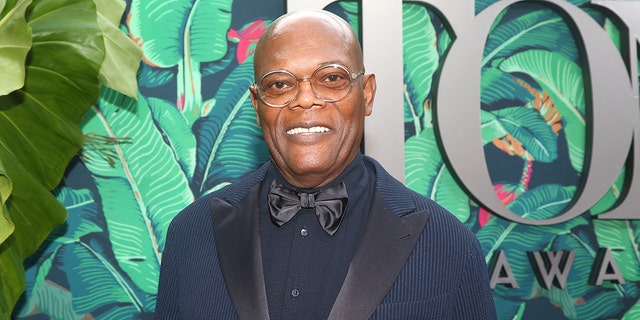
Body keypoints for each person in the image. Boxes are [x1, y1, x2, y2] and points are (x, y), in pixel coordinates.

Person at [155, 9, 497, 320]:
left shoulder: (447, 243)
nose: (305, 99)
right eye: (280, 84)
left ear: (367, 94)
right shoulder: (191, 235)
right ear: (257, 105)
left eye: (331, 78)